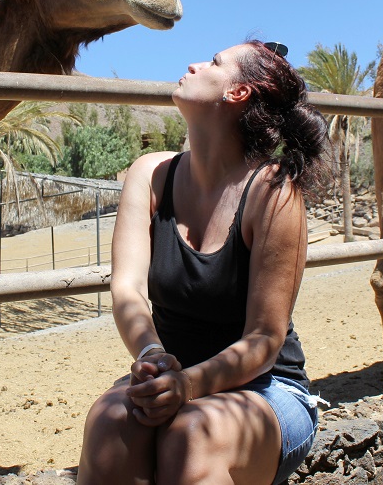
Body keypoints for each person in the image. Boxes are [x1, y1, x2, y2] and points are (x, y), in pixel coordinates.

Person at [78, 40, 333, 485]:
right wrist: (153, 355)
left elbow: (264, 339)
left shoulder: (274, 194)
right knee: (110, 421)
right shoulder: (151, 175)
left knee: (191, 434)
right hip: (172, 376)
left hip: (266, 387)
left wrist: (189, 386)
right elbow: (128, 289)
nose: (193, 63)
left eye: (214, 63)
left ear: (238, 93)